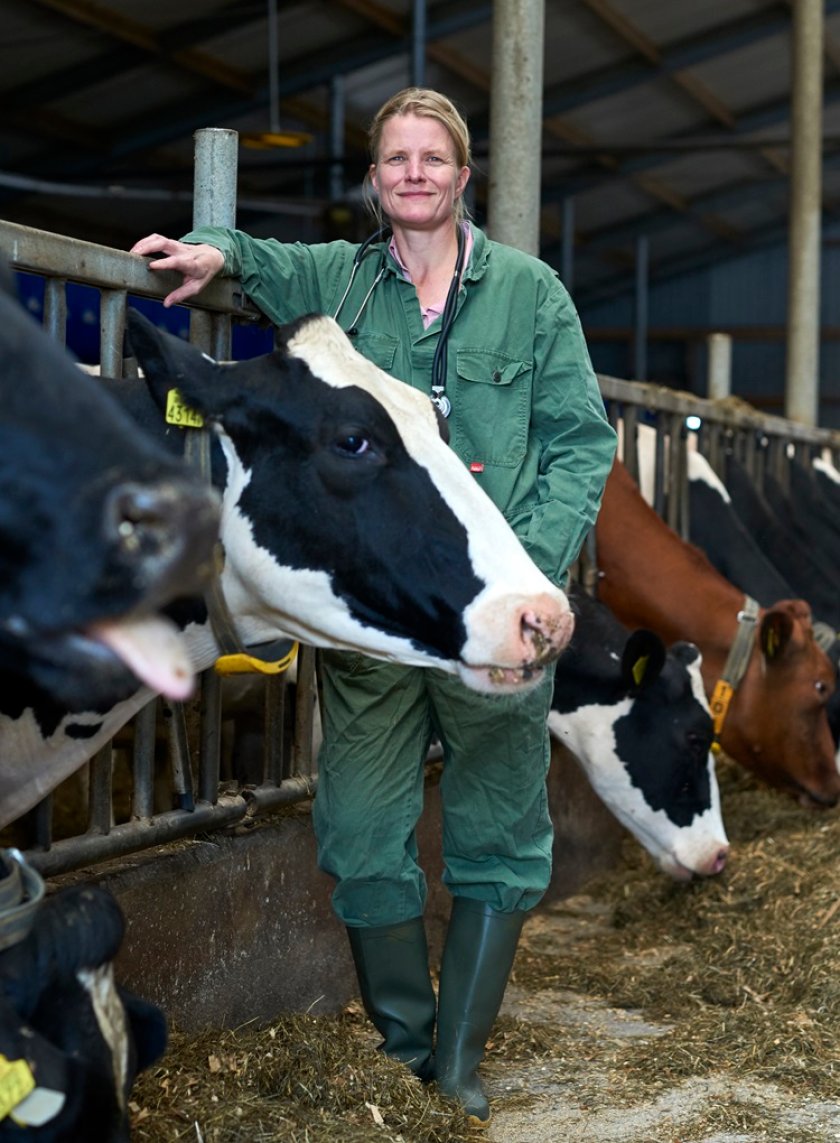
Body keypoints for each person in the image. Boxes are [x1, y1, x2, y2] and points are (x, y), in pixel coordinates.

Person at [131, 87, 617, 1128]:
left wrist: (522, 570)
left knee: (498, 832)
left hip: (492, 620)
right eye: (395, 158)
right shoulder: (341, 285)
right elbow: (253, 262)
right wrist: (206, 251)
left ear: (464, 172)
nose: (413, 173)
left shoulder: (531, 296)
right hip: (377, 628)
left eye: (432, 158)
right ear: (374, 178)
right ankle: (402, 1052)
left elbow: (584, 439)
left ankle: (459, 1065)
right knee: (358, 830)